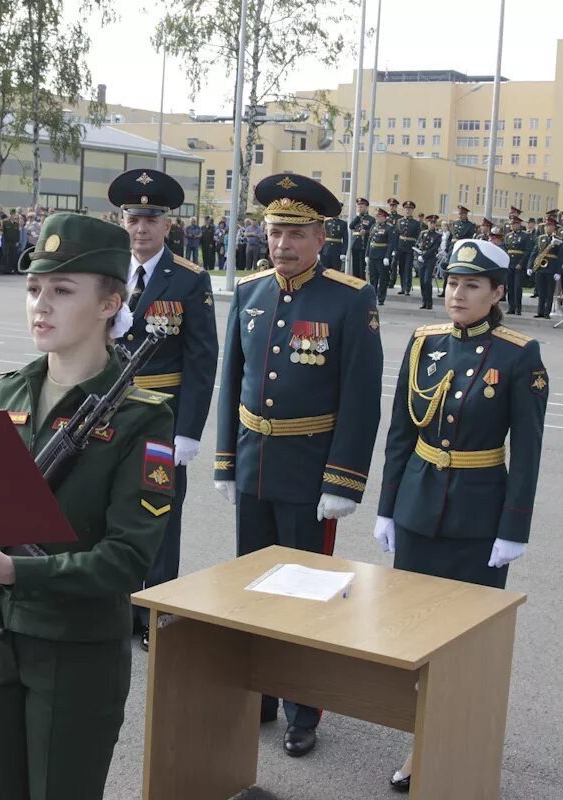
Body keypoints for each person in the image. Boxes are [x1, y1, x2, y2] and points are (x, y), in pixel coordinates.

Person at [0, 212, 171, 800]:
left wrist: (11, 570)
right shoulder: (10, 390)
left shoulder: (141, 417)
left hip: (74, 653)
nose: (41, 305)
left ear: (110, 303)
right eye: (34, 289)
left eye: (61, 291)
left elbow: (127, 559)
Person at [214, 172, 383, 758]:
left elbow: (361, 399)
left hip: (311, 473)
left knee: (306, 594)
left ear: (321, 238)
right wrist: (225, 461)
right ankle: (258, 693)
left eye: (296, 233)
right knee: (252, 587)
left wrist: (344, 481)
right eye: (275, 231)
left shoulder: (350, 297)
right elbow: (230, 380)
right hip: (256, 464)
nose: (282, 243)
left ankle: (302, 708)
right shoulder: (252, 290)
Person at [373, 237, 548, 793]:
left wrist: (513, 528)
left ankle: (458, 744)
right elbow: (401, 433)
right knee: (416, 640)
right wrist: (387, 508)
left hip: (478, 520)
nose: (458, 294)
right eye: (452, 283)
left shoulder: (520, 355)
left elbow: (529, 450)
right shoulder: (423, 342)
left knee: (467, 645)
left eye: (472, 285)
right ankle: (421, 743)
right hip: (419, 510)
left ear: (497, 293)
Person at [107, 168, 218, 650]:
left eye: (151, 219)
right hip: (110, 413)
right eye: (133, 219)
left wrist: (188, 430)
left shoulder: (190, 279)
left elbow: (201, 358)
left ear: (167, 225)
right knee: (114, 510)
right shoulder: (108, 272)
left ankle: (157, 612)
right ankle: (122, 607)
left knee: (161, 514)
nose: (141, 229)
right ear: (123, 221)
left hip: (163, 417)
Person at [531, 216, 561, 318]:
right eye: (546, 226)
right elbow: (534, 252)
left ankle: (547, 312)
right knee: (541, 291)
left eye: (549, 226)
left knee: (549, 292)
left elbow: (560, 257)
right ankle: (540, 311)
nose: (547, 228)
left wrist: (558, 271)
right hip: (540, 267)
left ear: (554, 227)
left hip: (551, 268)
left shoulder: (558, 240)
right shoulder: (540, 238)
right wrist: (530, 266)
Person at [366, 206, 395, 305]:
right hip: (372, 255)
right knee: (373, 278)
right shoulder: (373, 226)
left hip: (382, 257)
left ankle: (381, 298)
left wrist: (387, 256)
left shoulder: (389, 228)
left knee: (382, 279)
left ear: (384, 217)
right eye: (376, 216)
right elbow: (369, 241)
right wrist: (367, 254)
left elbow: (391, 244)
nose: (377, 218)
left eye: (379, 216)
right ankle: (372, 297)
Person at [415, 213, 442, 310]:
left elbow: (434, 248)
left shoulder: (438, 235)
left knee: (427, 281)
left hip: (430, 260)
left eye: (434, 223)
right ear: (427, 223)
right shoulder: (423, 233)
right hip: (421, 260)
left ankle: (429, 302)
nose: (432, 224)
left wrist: (424, 256)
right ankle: (424, 301)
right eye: (430, 223)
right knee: (422, 281)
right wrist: (418, 255)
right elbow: (418, 245)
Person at [503, 215, 530, 314]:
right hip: (510, 264)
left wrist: (521, 264)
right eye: (511, 224)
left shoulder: (525, 236)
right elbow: (506, 250)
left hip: (519, 265)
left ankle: (518, 308)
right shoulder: (508, 236)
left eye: (514, 224)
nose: (511, 226)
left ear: (519, 224)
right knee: (510, 287)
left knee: (517, 287)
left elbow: (527, 252)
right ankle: (511, 307)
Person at [395, 200, 422, 295]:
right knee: (401, 268)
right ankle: (402, 287)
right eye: (406, 209)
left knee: (408, 268)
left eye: (410, 209)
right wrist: (395, 249)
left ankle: (407, 288)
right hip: (401, 247)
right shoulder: (399, 221)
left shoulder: (415, 223)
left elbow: (418, 237)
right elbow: (397, 235)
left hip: (410, 248)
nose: (408, 211)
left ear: (412, 210)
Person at [348, 197, 375, 278]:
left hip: (364, 244)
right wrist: (358, 216)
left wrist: (366, 232)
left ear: (366, 207)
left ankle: (362, 283)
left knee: (362, 266)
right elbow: (351, 226)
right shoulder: (357, 218)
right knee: (355, 265)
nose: (359, 208)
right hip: (355, 244)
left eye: (361, 206)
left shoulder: (371, 219)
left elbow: (373, 231)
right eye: (358, 206)